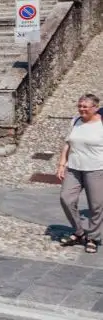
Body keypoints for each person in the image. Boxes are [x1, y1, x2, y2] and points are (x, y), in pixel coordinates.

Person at [58, 93, 103, 253]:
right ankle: (79, 231)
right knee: (66, 198)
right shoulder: (75, 120)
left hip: (96, 169)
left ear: (95, 108)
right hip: (74, 167)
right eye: (79, 106)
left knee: (96, 206)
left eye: (85, 106)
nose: (81, 109)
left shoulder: (101, 123)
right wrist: (62, 163)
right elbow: (68, 144)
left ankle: (93, 238)